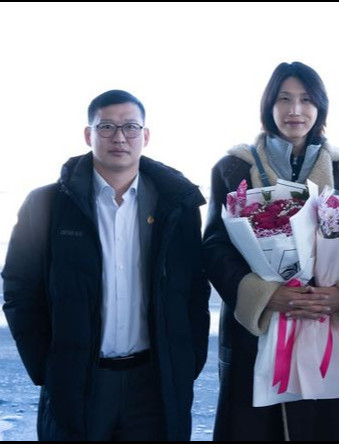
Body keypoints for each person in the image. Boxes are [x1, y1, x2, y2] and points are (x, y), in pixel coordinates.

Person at [1, 89, 211, 441]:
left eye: (130, 127)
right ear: (89, 134)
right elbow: (20, 289)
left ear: (145, 135)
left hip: (154, 381)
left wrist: (186, 361)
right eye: (107, 127)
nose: (119, 137)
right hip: (79, 382)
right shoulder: (46, 204)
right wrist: (48, 366)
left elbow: (194, 288)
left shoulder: (177, 207)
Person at [204, 61, 339, 441]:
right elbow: (216, 246)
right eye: (284, 99)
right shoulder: (232, 168)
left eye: (306, 100)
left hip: (324, 323)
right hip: (258, 331)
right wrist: (265, 295)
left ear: (320, 108)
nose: (295, 110)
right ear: (269, 105)